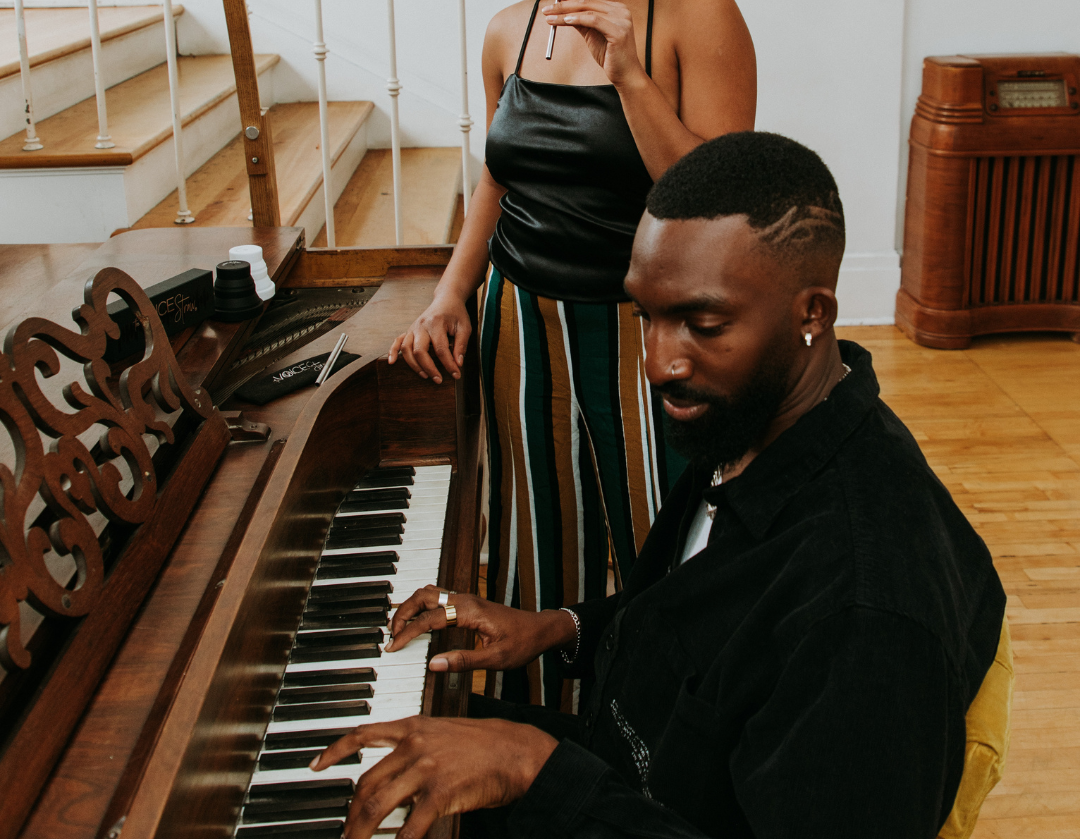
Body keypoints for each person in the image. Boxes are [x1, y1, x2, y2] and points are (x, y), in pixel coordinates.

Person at [316, 132, 1010, 839]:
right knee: (358, 741)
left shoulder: (866, 613)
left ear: (813, 314)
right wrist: (561, 628)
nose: (657, 363)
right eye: (646, 316)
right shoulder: (754, 426)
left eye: (702, 325)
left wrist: (536, 769)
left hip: (636, 805)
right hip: (633, 775)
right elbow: (708, 629)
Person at [388, 0, 756, 708]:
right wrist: (448, 295)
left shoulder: (697, 11)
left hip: (648, 326)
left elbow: (720, 211)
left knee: (658, 534)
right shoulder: (509, 29)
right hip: (522, 321)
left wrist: (629, 74)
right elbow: (497, 181)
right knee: (534, 534)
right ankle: (538, 735)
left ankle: (664, 733)